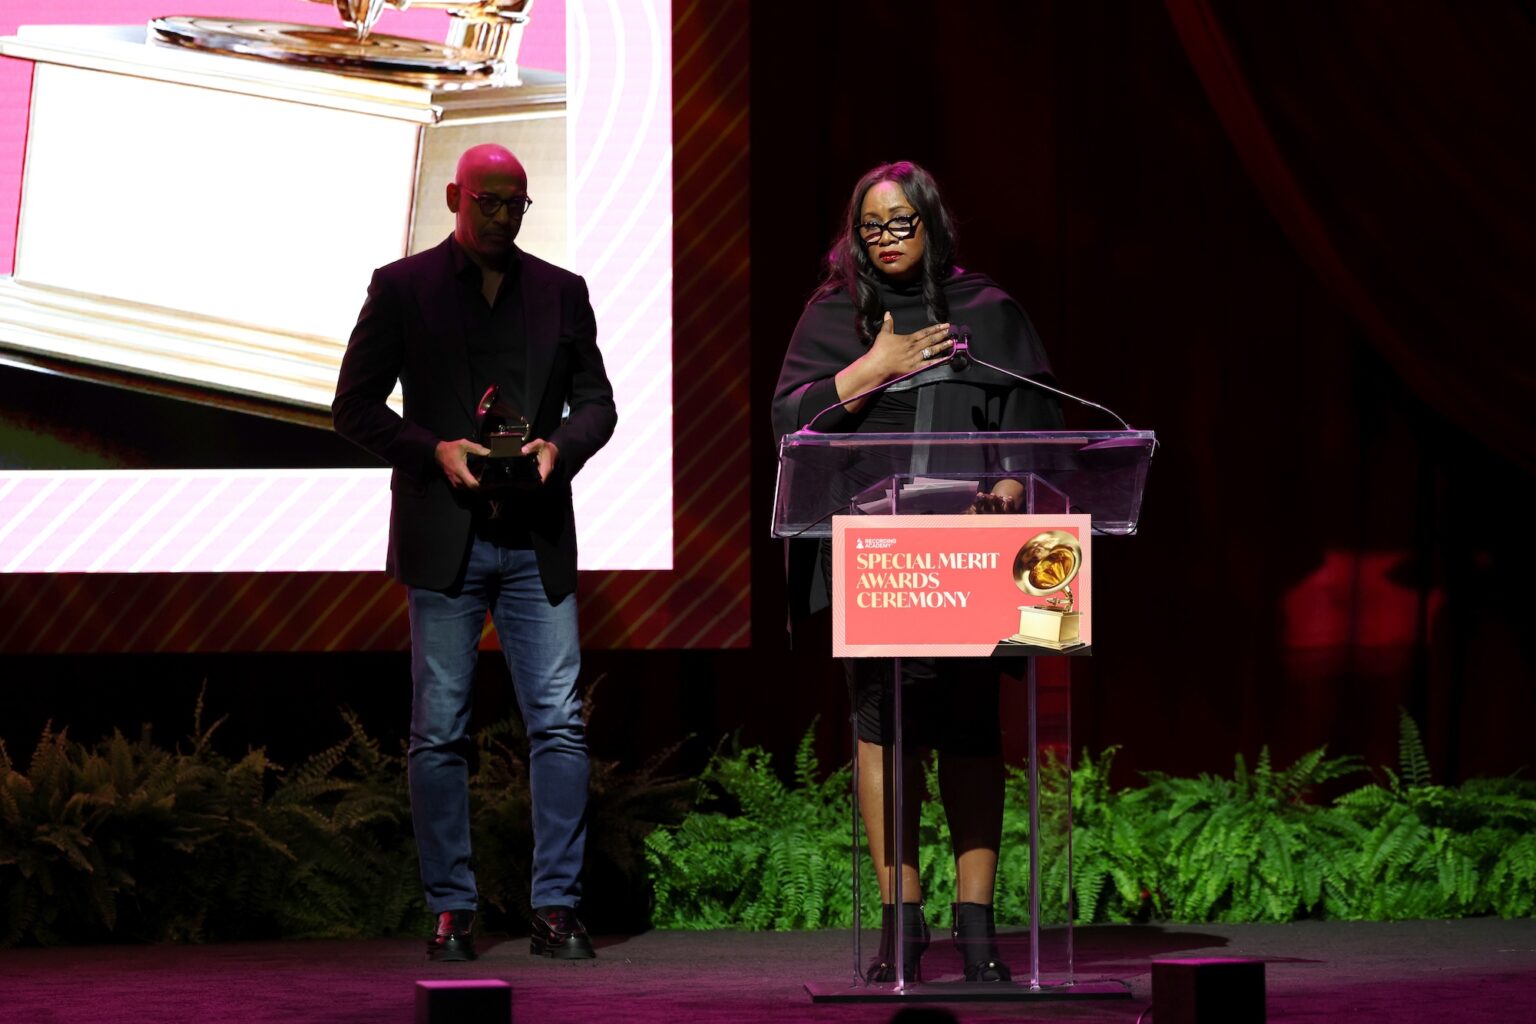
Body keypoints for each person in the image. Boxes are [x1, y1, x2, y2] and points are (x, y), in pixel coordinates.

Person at [771, 160, 1062, 983]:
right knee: (884, 729)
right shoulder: (836, 314)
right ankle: (902, 925)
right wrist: (871, 368)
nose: (887, 239)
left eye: (902, 223)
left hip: (973, 553)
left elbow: (1033, 421)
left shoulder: (987, 311)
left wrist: (1010, 480)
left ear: (932, 224)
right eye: (872, 225)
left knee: (971, 729)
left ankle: (978, 930)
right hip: (873, 555)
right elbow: (788, 422)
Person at [333, 143, 617, 962]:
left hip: (535, 539)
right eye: (486, 201)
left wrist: (561, 448)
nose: (499, 215)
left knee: (560, 724)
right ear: (455, 196)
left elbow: (598, 403)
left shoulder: (562, 291)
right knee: (439, 730)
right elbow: (352, 409)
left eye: (514, 203)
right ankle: (452, 909)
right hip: (446, 539)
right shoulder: (403, 287)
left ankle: (556, 908)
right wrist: (433, 450)